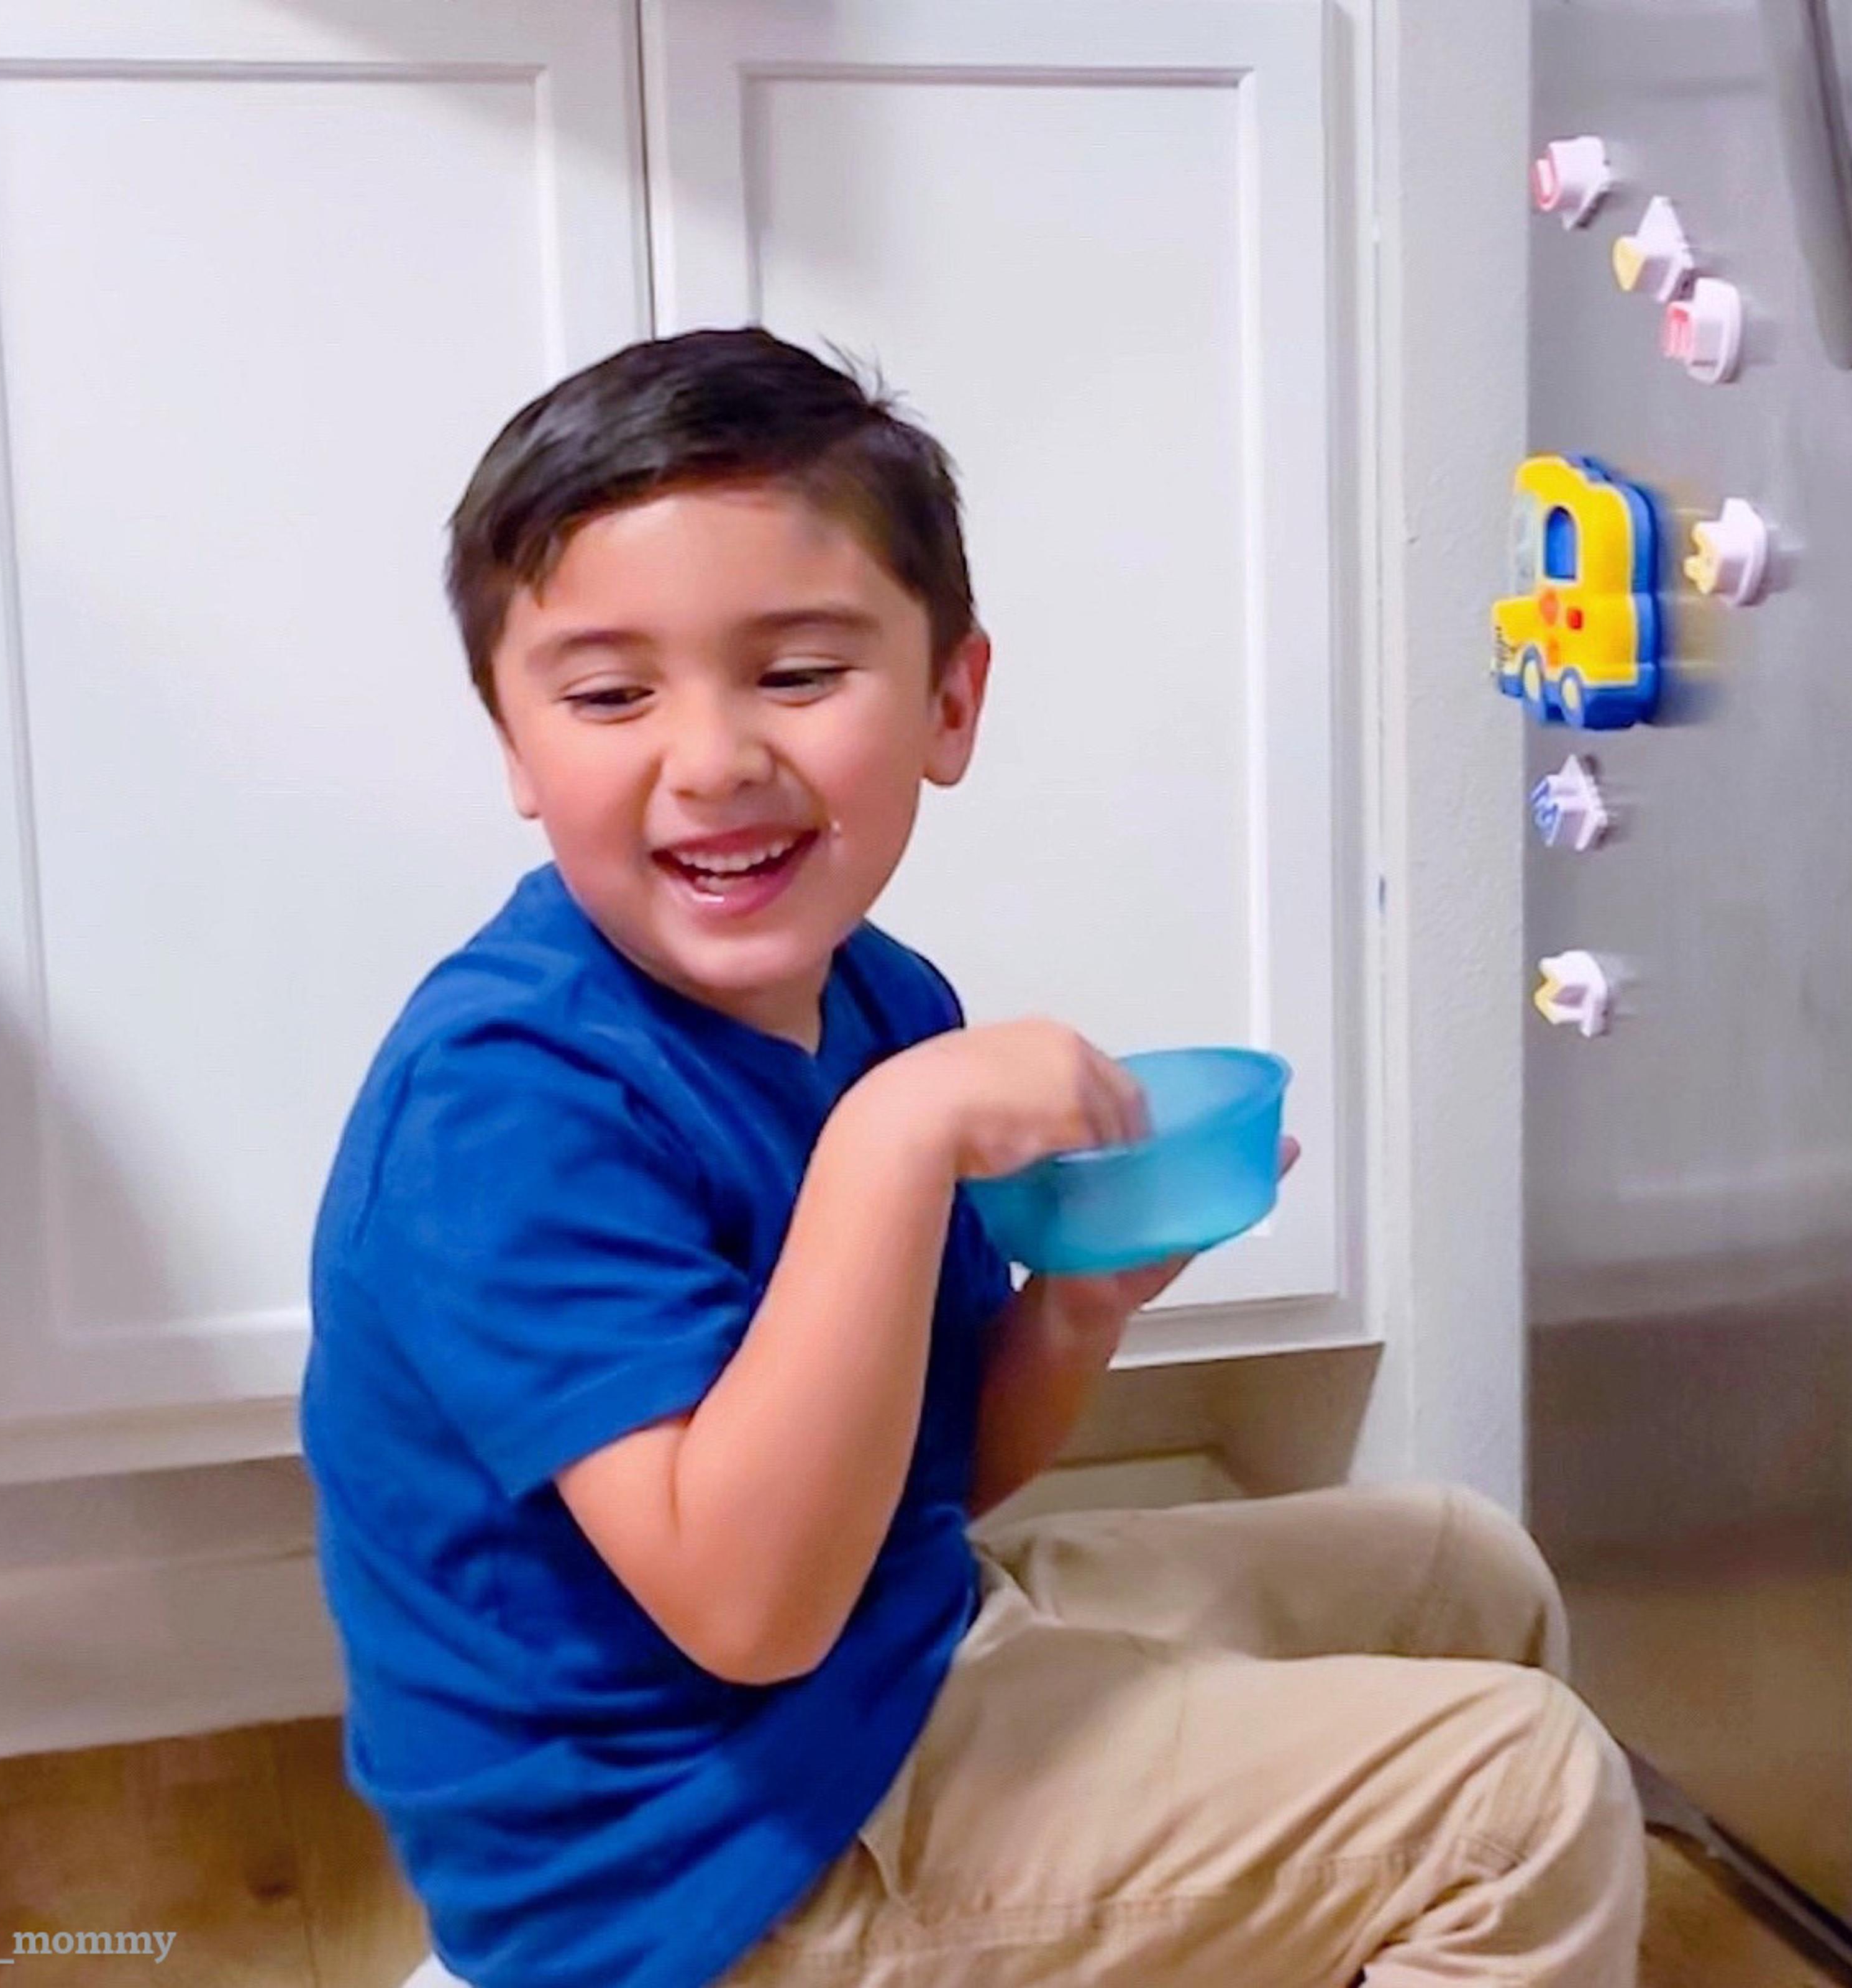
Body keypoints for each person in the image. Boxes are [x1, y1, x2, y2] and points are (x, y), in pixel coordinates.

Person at [299, 327, 1645, 1988]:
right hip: (694, 1882)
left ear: (951, 699)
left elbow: (928, 1480)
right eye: (608, 694)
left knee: (1460, 1569)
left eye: (796, 673)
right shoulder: (504, 1109)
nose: (713, 756)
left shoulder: (880, 1003)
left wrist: (1074, 1314)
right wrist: (893, 1141)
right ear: (516, 743)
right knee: (1521, 1800)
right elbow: (749, 1606)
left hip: (878, 1671)